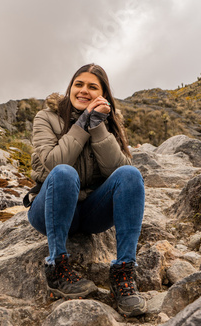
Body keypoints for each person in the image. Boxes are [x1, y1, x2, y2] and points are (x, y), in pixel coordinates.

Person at [24, 63, 147, 317]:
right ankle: (57, 266)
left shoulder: (109, 122)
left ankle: (123, 272)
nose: (84, 91)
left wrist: (97, 125)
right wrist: (81, 124)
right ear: (70, 87)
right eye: (79, 84)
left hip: (91, 213)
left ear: (103, 94)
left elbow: (120, 169)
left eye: (93, 87)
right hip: (48, 210)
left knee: (131, 174)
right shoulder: (46, 118)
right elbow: (55, 162)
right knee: (64, 172)